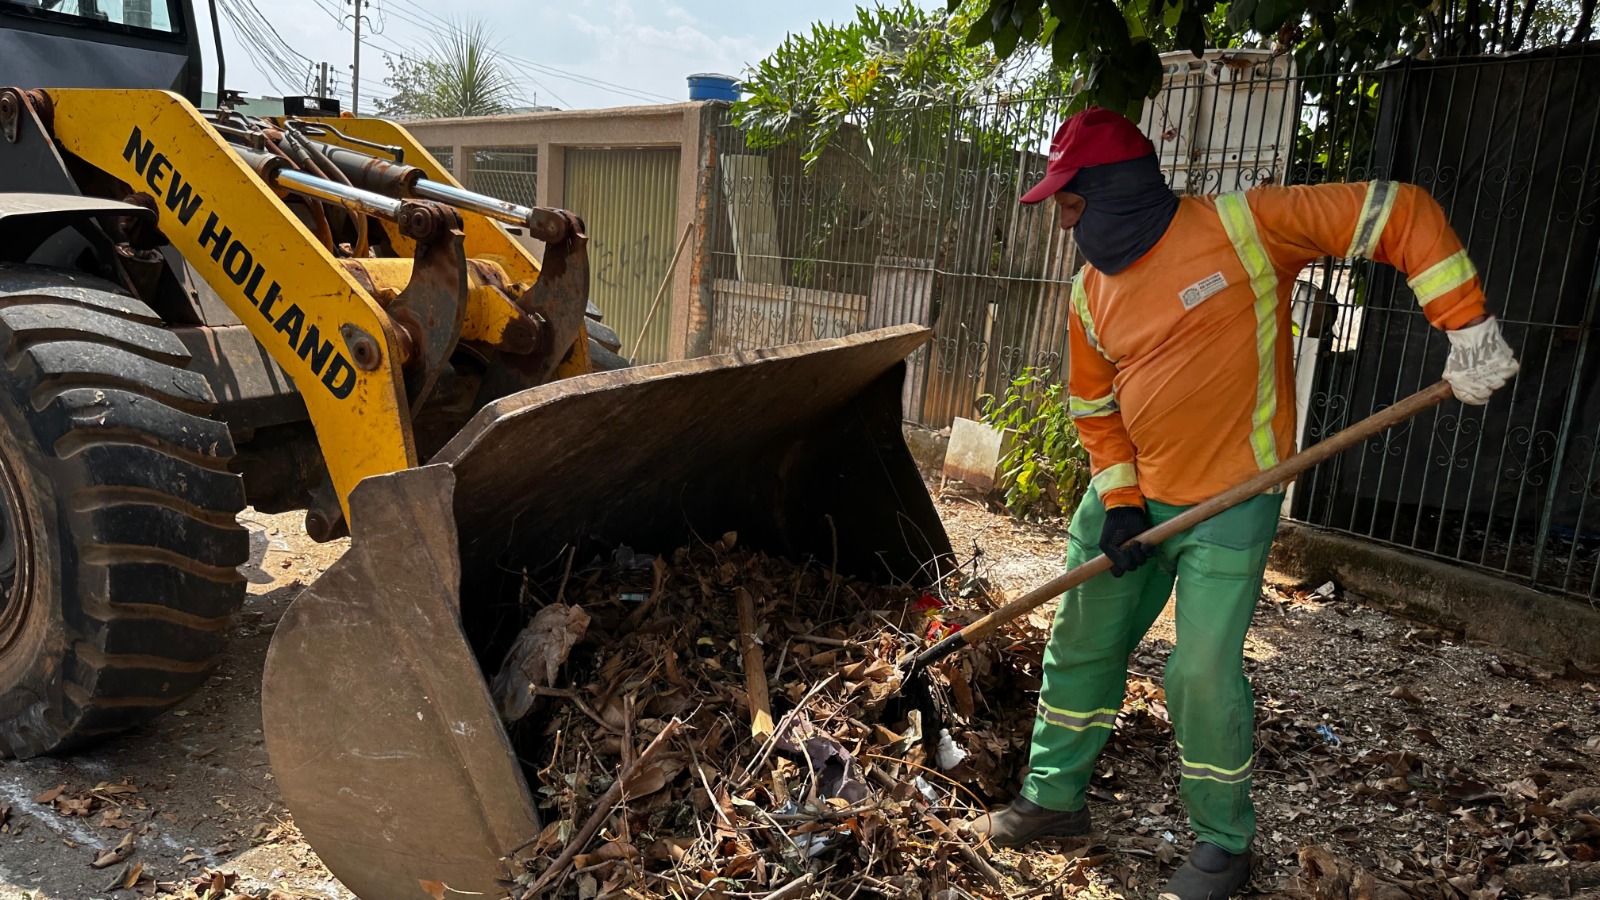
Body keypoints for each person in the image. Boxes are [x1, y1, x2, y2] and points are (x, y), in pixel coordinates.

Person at [966, 107, 1519, 899]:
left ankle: (1223, 844)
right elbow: (1094, 408)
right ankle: (1053, 802)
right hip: (1130, 502)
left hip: (1233, 498)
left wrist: (1467, 327)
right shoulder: (1089, 292)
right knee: (1079, 645)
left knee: (1200, 672)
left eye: (1071, 202)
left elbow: (1398, 210)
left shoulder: (1248, 227)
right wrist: (1120, 502)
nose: (1063, 222)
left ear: (1115, 190)